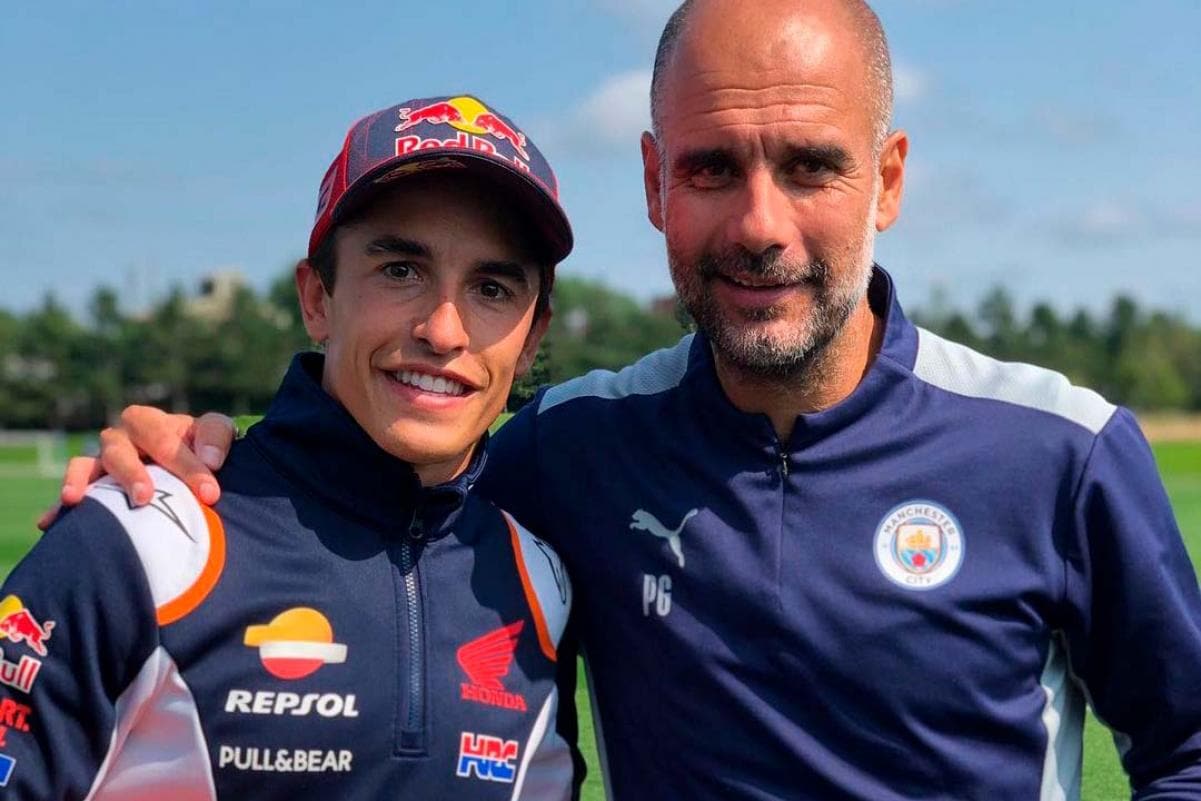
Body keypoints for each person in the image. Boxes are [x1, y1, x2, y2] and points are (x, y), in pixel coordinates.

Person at [52, 1, 1201, 799]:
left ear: (887, 179)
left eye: (810, 165)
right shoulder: (567, 449)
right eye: (712, 168)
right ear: (653, 183)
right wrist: (184, 460)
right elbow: (370, 481)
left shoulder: (1062, 452)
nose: (760, 224)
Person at [5, 94, 579, 800]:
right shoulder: (142, 535)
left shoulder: (541, 580)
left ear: (532, 337)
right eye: (401, 270)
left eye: (491, 288)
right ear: (316, 299)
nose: (443, 331)